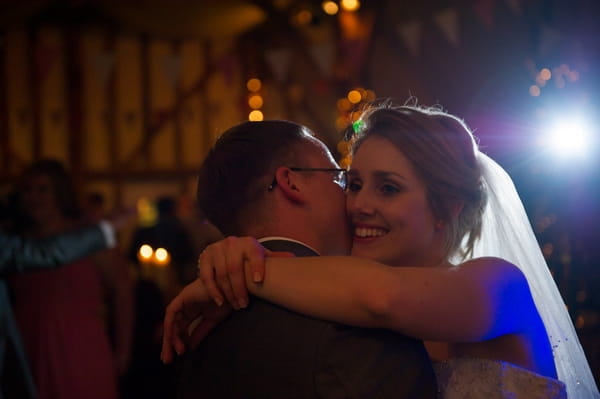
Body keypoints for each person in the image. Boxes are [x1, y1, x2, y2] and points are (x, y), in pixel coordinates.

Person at [170, 103, 599, 398]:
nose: (359, 205)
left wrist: (245, 267)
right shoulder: (342, 295)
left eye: (388, 188)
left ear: (446, 207)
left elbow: (385, 297)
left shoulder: (497, 283)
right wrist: (228, 259)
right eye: (353, 184)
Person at [162, 120, 437, 398]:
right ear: (291, 183)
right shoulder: (357, 321)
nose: (352, 200)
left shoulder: (200, 326)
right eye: (340, 178)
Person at [9, 159, 133, 399]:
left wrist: (123, 350)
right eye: (28, 190)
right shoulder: (17, 246)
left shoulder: (87, 238)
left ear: (59, 193)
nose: (34, 197)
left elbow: (122, 289)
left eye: (43, 189)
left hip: (80, 349)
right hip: (29, 348)